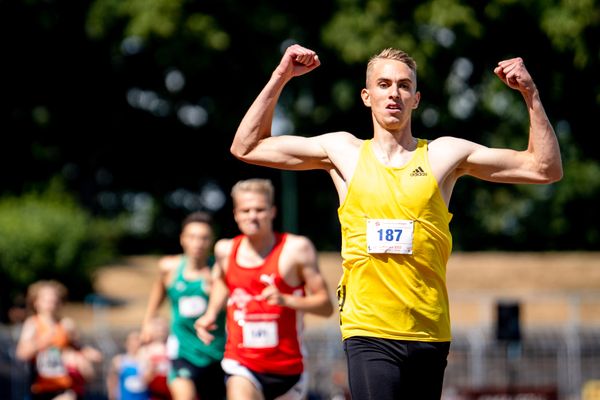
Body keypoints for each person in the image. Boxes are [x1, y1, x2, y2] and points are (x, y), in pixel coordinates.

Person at [228, 44, 563, 399]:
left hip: (428, 330)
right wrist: (281, 76)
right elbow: (246, 147)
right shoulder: (343, 152)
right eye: (384, 84)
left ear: (416, 99)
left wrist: (531, 95)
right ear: (366, 95)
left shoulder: (443, 154)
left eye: (404, 86)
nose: (394, 93)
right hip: (368, 328)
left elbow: (545, 168)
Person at [194, 178, 334, 400]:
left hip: (289, 368)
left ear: (272, 211)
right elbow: (222, 281)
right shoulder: (225, 250)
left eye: (259, 209)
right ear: (236, 214)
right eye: (245, 210)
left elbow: (326, 307)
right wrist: (210, 313)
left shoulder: (296, 249)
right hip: (242, 363)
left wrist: (286, 300)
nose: (252, 216)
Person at [141, 211, 226, 400]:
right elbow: (159, 290)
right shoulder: (169, 268)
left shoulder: (218, 274)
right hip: (182, 351)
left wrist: (214, 292)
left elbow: (231, 307)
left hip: (216, 353)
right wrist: (148, 321)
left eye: (204, 238)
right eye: (193, 237)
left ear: (211, 241)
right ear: (183, 239)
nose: (198, 243)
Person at [16, 280, 78, 400]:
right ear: (36, 302)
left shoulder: (65, 325)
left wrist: (82, 354)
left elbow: (77, 351)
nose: (51, 302)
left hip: (63, 384)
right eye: (46, 299)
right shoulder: (33, 324)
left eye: (54, 298)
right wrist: (42, 341)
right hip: (40, 386)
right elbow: (21, 353)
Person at [107, 330, 150, 400]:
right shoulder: (119, 360)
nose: (135, 344)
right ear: (127, 343)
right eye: (132, 341)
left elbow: (147, 380)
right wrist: (111, 394)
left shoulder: (146, 360)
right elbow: (112, 379)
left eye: (137, 340)